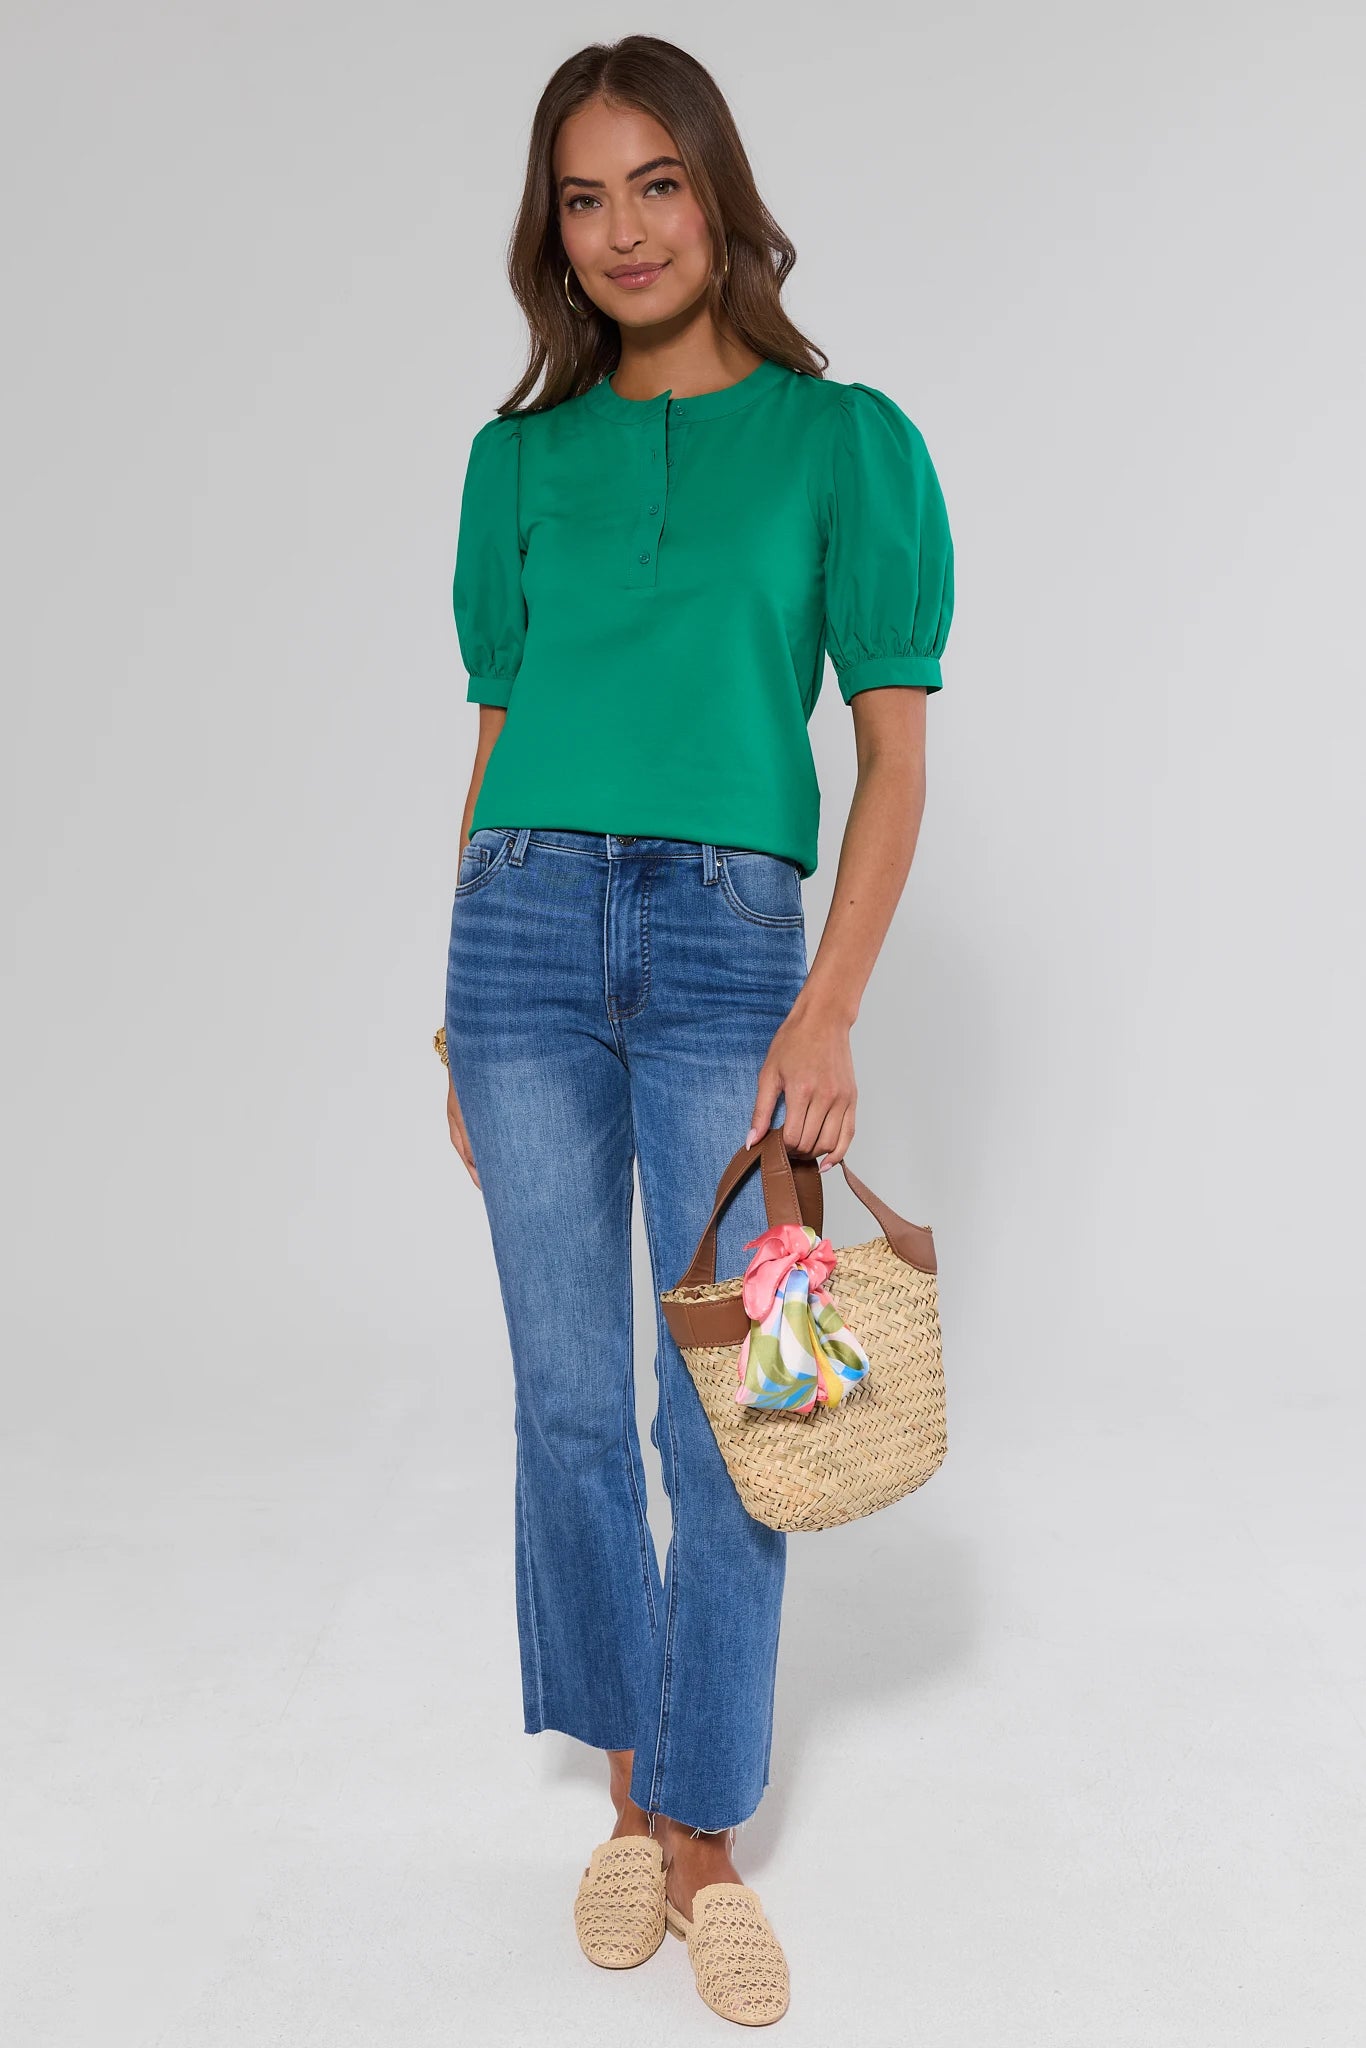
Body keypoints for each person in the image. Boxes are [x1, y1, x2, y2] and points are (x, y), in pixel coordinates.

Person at [438, 33, 953, 2029]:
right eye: (583, 197)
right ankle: (631, 1793)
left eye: (655, 183)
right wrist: (454, 1004)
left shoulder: (843, 443)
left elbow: (891, 758)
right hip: (518, 938)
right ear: (552, 235)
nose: (623, 229)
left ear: (718, 195)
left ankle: (704, 1830)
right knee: (567, 1402)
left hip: (733, 945)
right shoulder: (513, 463)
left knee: (739, 1407)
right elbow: (498, 732)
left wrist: (829, 1005)